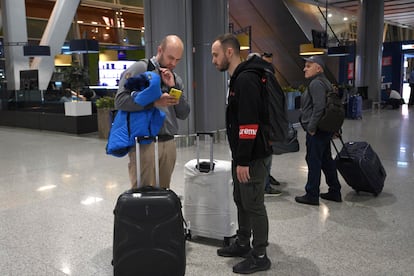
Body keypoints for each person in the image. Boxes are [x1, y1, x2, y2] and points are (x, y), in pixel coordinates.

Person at [211, 33, 272, 274]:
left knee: (254, 204)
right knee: (241, 198)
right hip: (244, 153)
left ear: (229, 52)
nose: (213, 60)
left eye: (215, 55)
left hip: (253, 155)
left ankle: (260, 255)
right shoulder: (239, 78)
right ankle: (243, 242)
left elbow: (249, 123)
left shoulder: (246, 80)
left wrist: (244, 160)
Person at [115, 35, 190, 189]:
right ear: (160, 50)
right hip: (144, 144)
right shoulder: (141, 69)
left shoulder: (174, 78)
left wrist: (173, 87)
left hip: (168, 143)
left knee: (163, 193)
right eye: (171, 58)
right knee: (143, 194)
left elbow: (183, 113)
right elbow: (120, 100)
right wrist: (154, 102)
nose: (173, 63)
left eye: (178, 60)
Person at [295, 55, 342, 206]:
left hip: (317, 130)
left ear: (318, 68)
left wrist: (311, 127)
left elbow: (319, 107)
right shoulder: (326, 82)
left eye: (308, 66)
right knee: (326, 160)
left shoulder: (316, 84)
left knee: (313, 160)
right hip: (325, 129)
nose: (304, 68)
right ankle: (335, 190)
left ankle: (312, 194)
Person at [247, 52, 282, 196]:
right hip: (261, 129)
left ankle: (265, 181)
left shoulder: (263, 79)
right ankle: (264, 184)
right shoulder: (254, 80)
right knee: (263, 158)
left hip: (265, 128)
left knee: (266, 157)